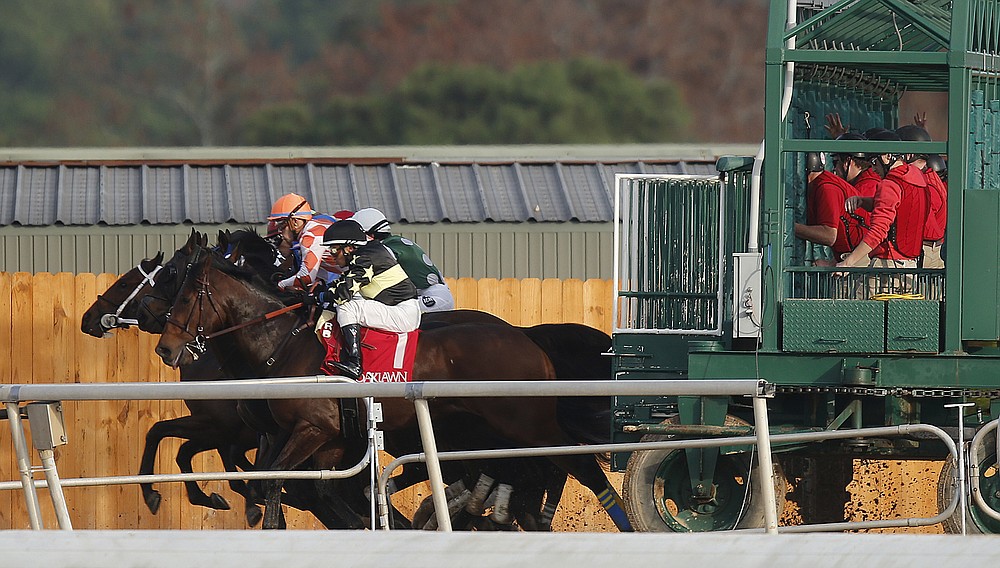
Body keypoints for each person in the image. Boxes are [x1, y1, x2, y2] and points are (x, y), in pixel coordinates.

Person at [310, 219, 421, 379]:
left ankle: (354, 363)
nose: (332, 256)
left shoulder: (365, 258)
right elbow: (343, 282)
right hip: (401, 308)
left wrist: (318, 296)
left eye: (334, 250)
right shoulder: (368, 252)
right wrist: (323, 290)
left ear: (348, 248)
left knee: (347, 307)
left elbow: (343, 294)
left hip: (402, 313)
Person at [837, 129, 930, 294]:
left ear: (888, 156)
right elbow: (901, 207)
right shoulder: (917, 177)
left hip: (886, 268)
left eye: (874, 162)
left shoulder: (890, 184)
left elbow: (879, 231)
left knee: (856, 316)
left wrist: (848, 262)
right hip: (910, 266)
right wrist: (864, 201)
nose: (873, 169)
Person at [350, 207, 456, 312]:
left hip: (431, 296)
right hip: (431, 294)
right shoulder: (395, 242)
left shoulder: (386, 249)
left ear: (370, 236)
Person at [795, 132, 871, 265]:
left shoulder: (826, 187)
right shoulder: (827, 184)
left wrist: (789, 227)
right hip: (854, 258)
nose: (834, 169)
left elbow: (829, 235)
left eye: (836, 162)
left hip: (859, 261)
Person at [896, 123, 947, 269]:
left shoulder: (925, 183)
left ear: (908, 155)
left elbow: (919, 224)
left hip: (924, 251)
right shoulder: (927, 176)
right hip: (928, 250)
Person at [266, 193, 336, 291]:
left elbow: (306, 276)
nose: (281, 232)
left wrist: (281, 285)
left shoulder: (309, 236)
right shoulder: (314, 228)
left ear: (295, 221)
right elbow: (320, 276)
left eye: (282, 226)